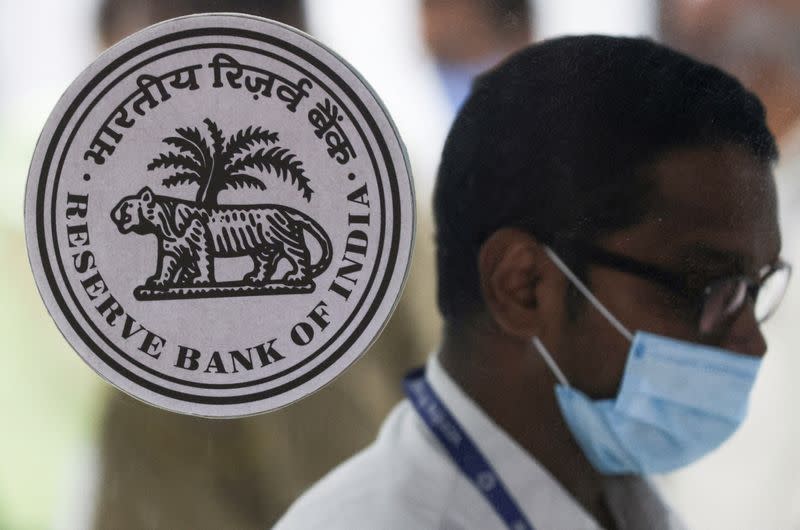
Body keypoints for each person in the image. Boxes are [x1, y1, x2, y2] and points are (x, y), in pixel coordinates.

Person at [275, 35, 789, 529]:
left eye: (757, 287)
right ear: (523, 286)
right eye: (713, 288)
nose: (752, 341)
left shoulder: (623, 499)